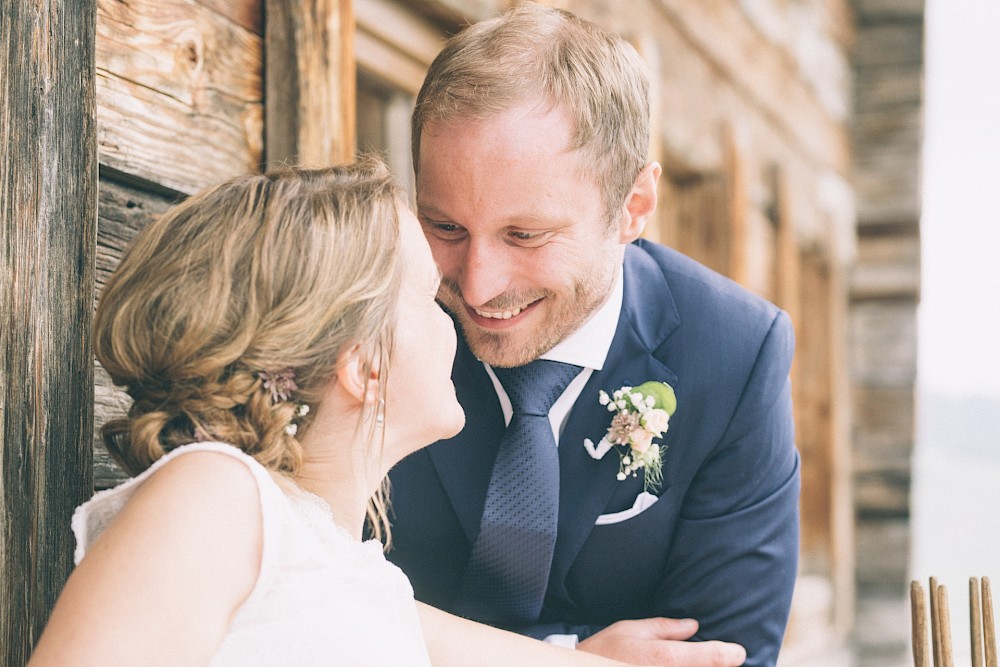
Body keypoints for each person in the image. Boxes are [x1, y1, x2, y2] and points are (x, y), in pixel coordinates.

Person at [29, 160, 647, 666]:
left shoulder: (356, 571)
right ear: (362, 367)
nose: (459, 313)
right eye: (428, 297)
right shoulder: (215, 496)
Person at [385, 4, 800, 667]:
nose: (477, 282)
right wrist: (575, 658)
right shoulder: (367, 318)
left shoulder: (735, 354)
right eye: (445, 227)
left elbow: (725, 656)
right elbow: (314, 608)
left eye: (525, 235)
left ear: (633, 206)